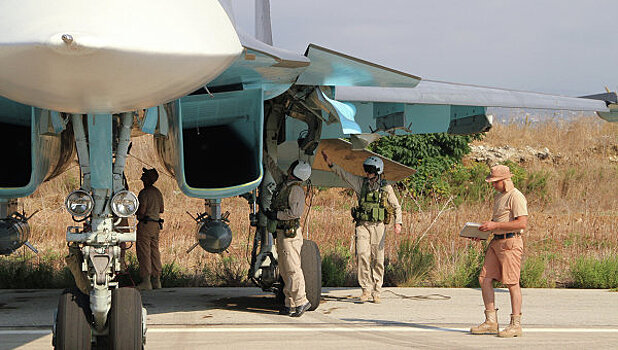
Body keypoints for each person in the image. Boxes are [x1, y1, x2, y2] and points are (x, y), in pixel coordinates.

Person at [321, 151, 402, 304]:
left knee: (378, 259)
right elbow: (345, 175)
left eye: (370, 170)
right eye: (366, 170)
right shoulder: (360, 183)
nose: (367, 173)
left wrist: (398, 223)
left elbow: (396, 206)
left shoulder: (386, 188)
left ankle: (377, 291)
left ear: (377, 171)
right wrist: (331, 164)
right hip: (362, 226)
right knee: (362, 256)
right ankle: (366, 289)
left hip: (378, 227)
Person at [469, 164, 527, 338]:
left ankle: (516, 325)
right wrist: (484, 232)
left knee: (512, 283)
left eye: (495, 182)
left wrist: (495, 225)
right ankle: (491, 322)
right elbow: (498, 222)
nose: (493, 185)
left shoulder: (516, 197)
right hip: (496, 242)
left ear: (505, 180)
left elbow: (521, 223)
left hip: (510, 243)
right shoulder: (499, 197)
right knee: (484, 278)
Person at [263, 155, 312, 317]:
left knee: (292, 269)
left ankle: (302, 301)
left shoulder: (295, 190)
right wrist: (264, 154)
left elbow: (295, 213)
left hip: (290, 235)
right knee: (285, 270)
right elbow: (274, 169)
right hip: (282, 233)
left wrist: (276, 215)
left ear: (296, 171)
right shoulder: (285, 184)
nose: (289, 168)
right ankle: (290, 304)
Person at [136, 168, 165, 291]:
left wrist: (136, 212)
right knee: (154, 251)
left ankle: (146, 281)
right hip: (156, 225)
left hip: (145, 224)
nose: (142, 176)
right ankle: (156, 281)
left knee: (144, 252)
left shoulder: (144, 193)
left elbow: (141, 211)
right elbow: (161, 209)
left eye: (145, 175)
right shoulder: (157, 192)